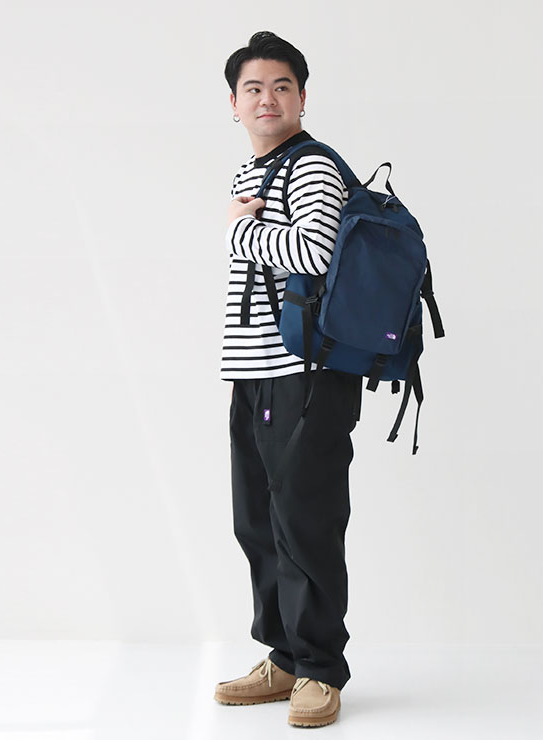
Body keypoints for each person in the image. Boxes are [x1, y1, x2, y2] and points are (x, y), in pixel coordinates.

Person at [213, 31, 361, 729]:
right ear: (233, 103)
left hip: (305, 374)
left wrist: (237, 232)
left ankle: (320, 670)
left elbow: (314, 252)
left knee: (306, 521)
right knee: (258, 522)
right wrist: (244, 225)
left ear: (302, 97)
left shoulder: (311, 167)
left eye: (281, 86)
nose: (266, 98)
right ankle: (285, 657)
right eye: (253, 88)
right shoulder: (252, 172)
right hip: (254, 370)